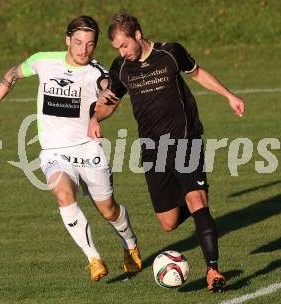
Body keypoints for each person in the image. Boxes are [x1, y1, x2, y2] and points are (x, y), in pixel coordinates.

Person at [90, 12, 245, 291]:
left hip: (185, 140)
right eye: (117, 48)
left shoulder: (170, 53)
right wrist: (95, 116)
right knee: (168, 222)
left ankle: (213, 271)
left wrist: (229, 95)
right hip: (152, 149)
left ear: (138, 34)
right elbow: (110, 102)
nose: (122, 52)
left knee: (197, 200)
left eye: (124, 45)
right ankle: (199, 207)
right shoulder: (121, 67)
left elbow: (198, 73)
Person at [0, 15, 142, 282]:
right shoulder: (44, 60)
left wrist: (104, 93)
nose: (83, 49)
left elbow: (106, 85)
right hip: (54, 152)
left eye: (90, 44)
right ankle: (94, 259)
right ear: (67, 40)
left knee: (108, 210)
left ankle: (129, 243)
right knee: (63, 193)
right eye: (78, 42)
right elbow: (12, 74)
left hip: (89, 151)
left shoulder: (96, 72)